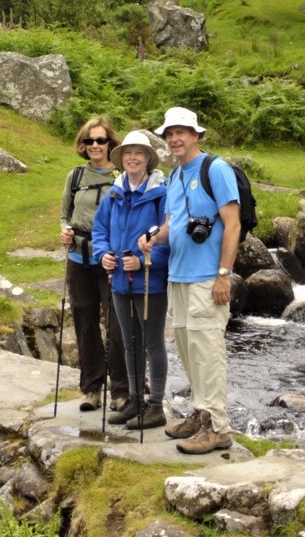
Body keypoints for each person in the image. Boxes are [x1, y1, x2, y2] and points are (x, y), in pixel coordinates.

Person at [138, 106, 241, 454]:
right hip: (178, 277)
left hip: (206, 278)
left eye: (180, 132)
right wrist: (154, 236)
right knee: (188, 350)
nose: (174, 139)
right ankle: (200, 413)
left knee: (208, 352)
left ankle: (218, 428)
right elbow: (172, 225)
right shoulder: (176, 175)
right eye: (169, 134)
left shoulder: (217, 169)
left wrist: (223, 275)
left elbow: (233, 224)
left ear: (196, 135)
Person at [93, 131, 169, 429]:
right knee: (129, 342)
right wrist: (103, 255)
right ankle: (135, 400)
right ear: (121, 159)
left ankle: (156, 406)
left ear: (149, 159)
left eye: (139, 153)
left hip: (150, 282)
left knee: (153, 342)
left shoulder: (161, 195)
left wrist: (143, 261)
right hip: (119, 281)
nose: (133, 157)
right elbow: (100, 229)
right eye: (128, 153)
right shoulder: (114, 193)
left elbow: (169, 238)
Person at [60, 116, 129, 412]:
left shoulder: (123, 177)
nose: (95, 145)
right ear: (83, 144)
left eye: (101, 140)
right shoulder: (75, 177)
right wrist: (64, 230)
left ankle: (121, 390)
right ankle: (91, 389)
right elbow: (65, 214)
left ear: (111, 143)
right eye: (89, 141)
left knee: (117, 324)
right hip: (78, 259)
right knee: (85, 323)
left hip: (111, 260)